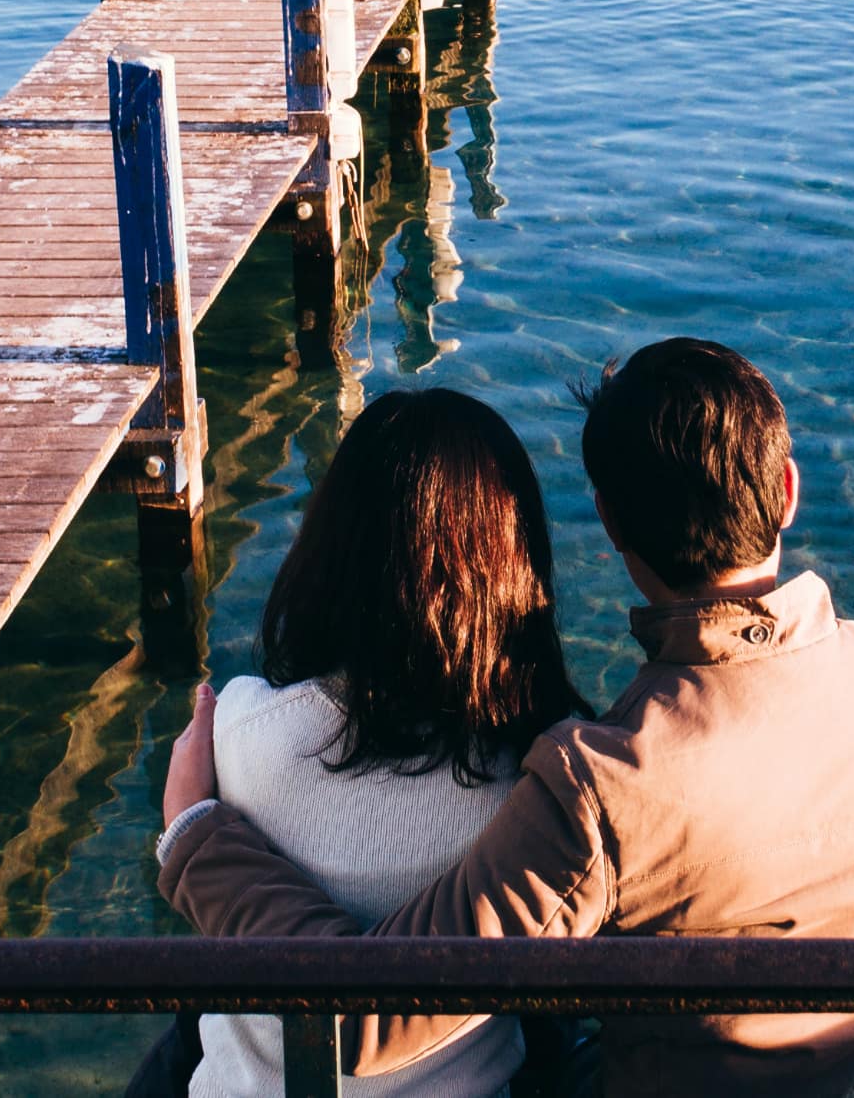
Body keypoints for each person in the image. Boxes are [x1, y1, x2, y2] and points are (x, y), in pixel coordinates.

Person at [159, 339, 854, 1098]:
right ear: (788, 490)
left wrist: (195, 834)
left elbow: (365, 1022)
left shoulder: (605, 782)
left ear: (607, 522)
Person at [172, 387, 589, 1098]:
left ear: (333, 546)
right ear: (516, 572)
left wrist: (185, 823)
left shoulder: (239, 730)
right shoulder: (533, 783)